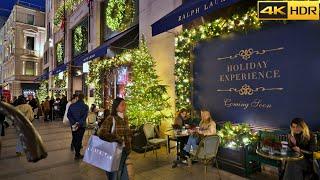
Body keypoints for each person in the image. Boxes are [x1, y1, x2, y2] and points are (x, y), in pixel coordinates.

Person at [98, 97, 132, 180]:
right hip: (114, 151)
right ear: (116, 107)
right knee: (115, 174)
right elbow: (101, 133)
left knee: (122, 172)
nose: (125, 107)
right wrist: (116, 138)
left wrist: (130, 135)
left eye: (125, 105)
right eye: (122, 105)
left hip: (124, 150)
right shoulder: (111, 118)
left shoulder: (125, 117)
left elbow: (126, 132)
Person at [67, 93, 88, 160]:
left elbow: (68, 115)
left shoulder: (72, 106)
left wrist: (74, 122)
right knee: (79, 139)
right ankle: (77, 154)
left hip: (73, 125)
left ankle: (77, 153)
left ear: (77, 98)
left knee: (75, 138)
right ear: (83, 98)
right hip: (82, 126)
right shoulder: (85, 106)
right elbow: (84, 117)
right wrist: (79, 123)